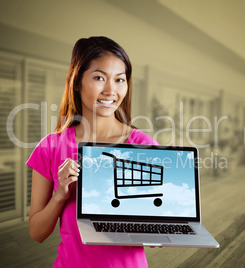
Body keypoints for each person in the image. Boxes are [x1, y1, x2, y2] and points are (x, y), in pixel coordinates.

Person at [26, 36, 159, 267]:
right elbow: (37, 233)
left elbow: (156, 233)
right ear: (76, 82)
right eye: (99, 77)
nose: (111, 90)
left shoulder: (144, 145)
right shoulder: (50, 147)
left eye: (120, 80)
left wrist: (156, 230)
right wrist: (61, 195)